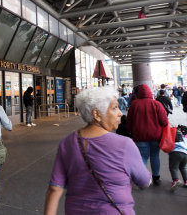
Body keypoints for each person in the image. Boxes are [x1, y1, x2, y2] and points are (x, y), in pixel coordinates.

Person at [44, 86, 150, 215]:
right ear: (97, 114)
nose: (120, 113)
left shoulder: (67, 143)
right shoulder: (124, 145)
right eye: (114, 107)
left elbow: (55, 189)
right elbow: (144, 181)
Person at [127, 84, 168, 186]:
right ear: (150, 93)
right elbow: (164, 121)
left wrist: (131, 132)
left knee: (142, 157)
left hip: (140, 136)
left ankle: (142, 180)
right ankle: (156, 178)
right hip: (156, 136)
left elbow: (129, 122)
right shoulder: (157, 104)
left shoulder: (134, 105)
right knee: (155, 156)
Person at [168, 127, 187, 192]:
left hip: (175, 153)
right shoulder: (184, 138)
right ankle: (186, 181)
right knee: (183, 167)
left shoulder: (172, 136)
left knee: (173, 168)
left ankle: (176, 180)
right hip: (185, 154)